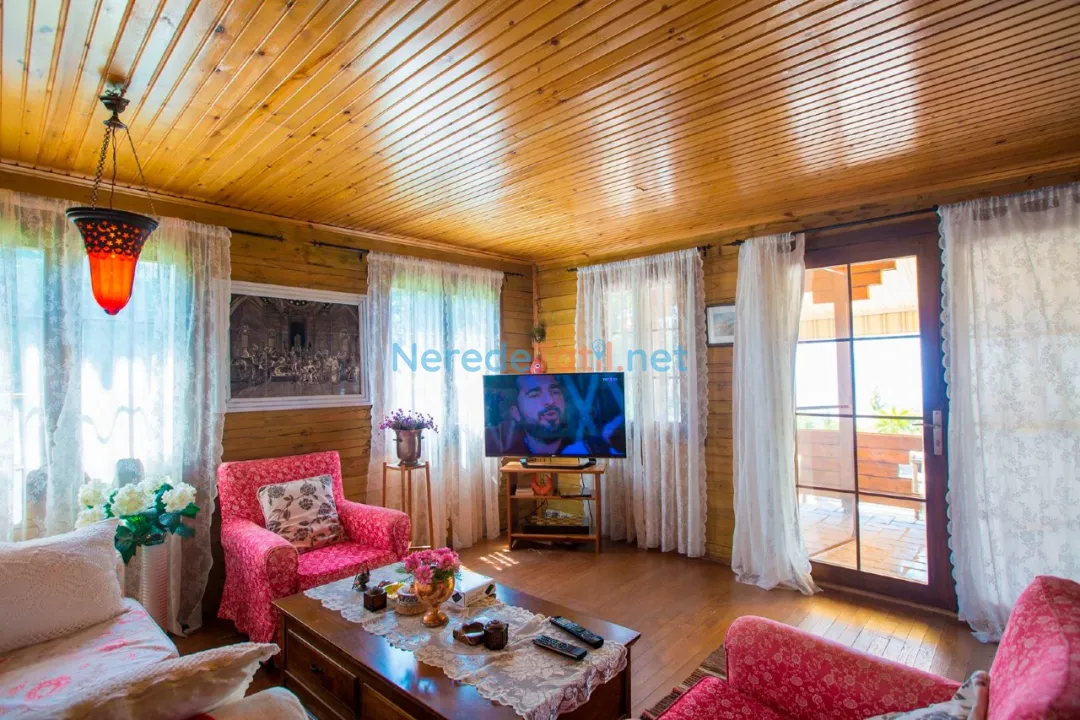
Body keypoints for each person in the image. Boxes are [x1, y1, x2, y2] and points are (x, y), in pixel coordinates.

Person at [497, 375, 618, 457]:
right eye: (535, 395)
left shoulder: (589, 450)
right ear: (516, 413)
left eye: (555, 392)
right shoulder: (510, 457)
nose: (550, 401)